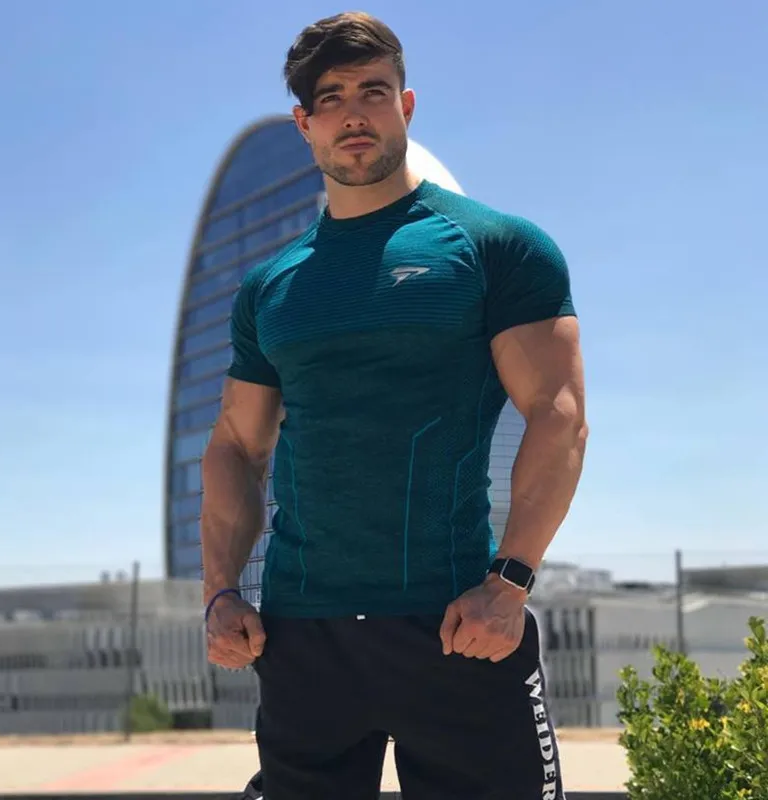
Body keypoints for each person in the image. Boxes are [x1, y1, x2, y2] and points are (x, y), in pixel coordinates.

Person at [201, 11, 588, 800]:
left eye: (373, 92)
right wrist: (220, 590)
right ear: (305, 124)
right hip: (303, 635)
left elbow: (559, 413)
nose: (354, 113)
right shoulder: (270, 286)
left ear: (405, 106)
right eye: (331, 98)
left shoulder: (497, 247)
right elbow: (237, 445)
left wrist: (509, 584)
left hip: (457, 624)